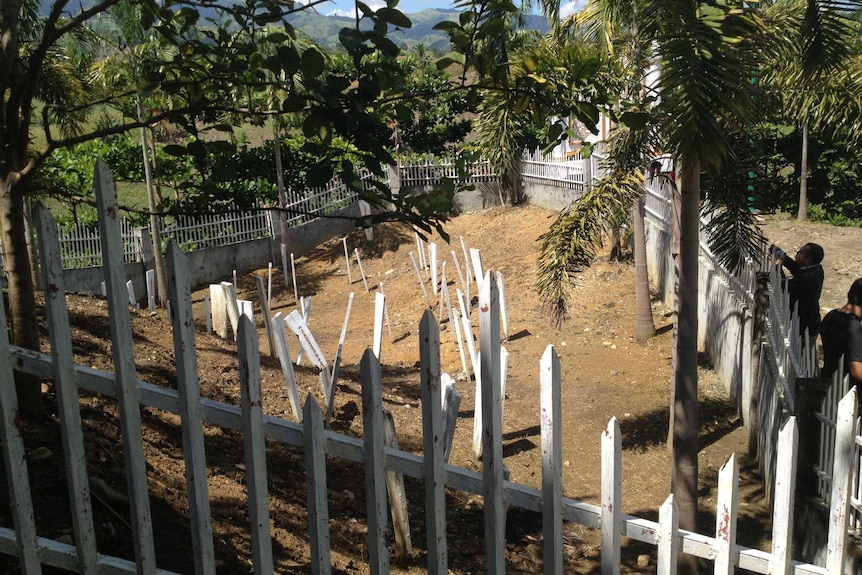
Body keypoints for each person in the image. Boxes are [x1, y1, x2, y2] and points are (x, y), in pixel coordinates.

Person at [773, 242, 825, 339]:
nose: (797, 253)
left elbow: (784, 285)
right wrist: (785, 258)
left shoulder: (808, 278)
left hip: (804, 326)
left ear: (808, 260)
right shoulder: (815, 269)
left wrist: (778, 265)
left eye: (800, 253)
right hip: (802, 321)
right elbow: (798, 269)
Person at [820, 277, 862, 386]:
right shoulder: (853, 328)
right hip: (845, 390)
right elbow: (857, 371)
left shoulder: (831, 316)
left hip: (829, 381)